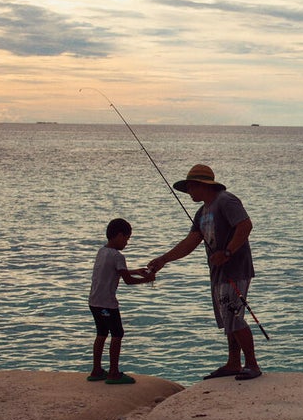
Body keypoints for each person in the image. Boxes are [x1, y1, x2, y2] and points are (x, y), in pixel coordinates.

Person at [148, 164, 261, 381]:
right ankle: (233, 363)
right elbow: (190, 242)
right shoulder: (202, 211)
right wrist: (164, 259)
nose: (188, 192)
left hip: (235, 269)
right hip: (218, 272)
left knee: (235, 317)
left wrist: (227, 252)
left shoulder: (226, 201)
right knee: (228, 319)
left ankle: (252, 364)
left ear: (201, 185)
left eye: (190, 187)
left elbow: (245, 226)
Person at [88, 218, 155, 384]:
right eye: (126, 238)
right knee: (117, 334)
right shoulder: (118, 255)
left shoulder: (102, 251)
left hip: (94, 302)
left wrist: (137, 271)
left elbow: (116, 271)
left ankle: (96, 370)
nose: (127, 242)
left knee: (101, 334)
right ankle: (114, 373)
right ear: (119, 235)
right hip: (107, 304)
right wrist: (147, 279)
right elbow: (128, 280)